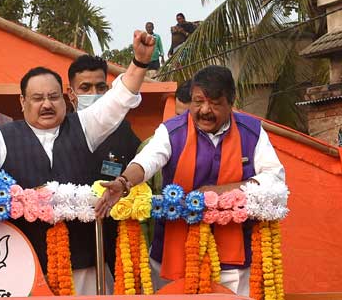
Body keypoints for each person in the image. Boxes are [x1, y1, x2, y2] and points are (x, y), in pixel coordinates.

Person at [0, 30, 156, 295]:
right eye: (37, 98)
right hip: (22, 267)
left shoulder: (84, 125)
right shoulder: (3, 136)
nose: (46, 105)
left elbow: (118, 100)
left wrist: (139, 62)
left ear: (65, 98)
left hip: (86, 266)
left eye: (53, 97)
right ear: (22, 102)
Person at [95, 65, 285, 297]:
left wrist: (215, 192)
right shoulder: (171, 131)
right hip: (173, 253)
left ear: (231, 103)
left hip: (234, 259)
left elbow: (274, 179)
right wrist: (124, 182)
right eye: (198, 102)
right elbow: (147, 160)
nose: (205, 110)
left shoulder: (251, 132)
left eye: (214, 103)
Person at [66, 55, 141, 289]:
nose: (94, 92)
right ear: (71, 94)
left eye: (100, 87)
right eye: (85, 88)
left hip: (116, 243)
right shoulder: (61, 131)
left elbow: (139, 177)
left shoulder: (123, 130)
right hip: (73, 246)